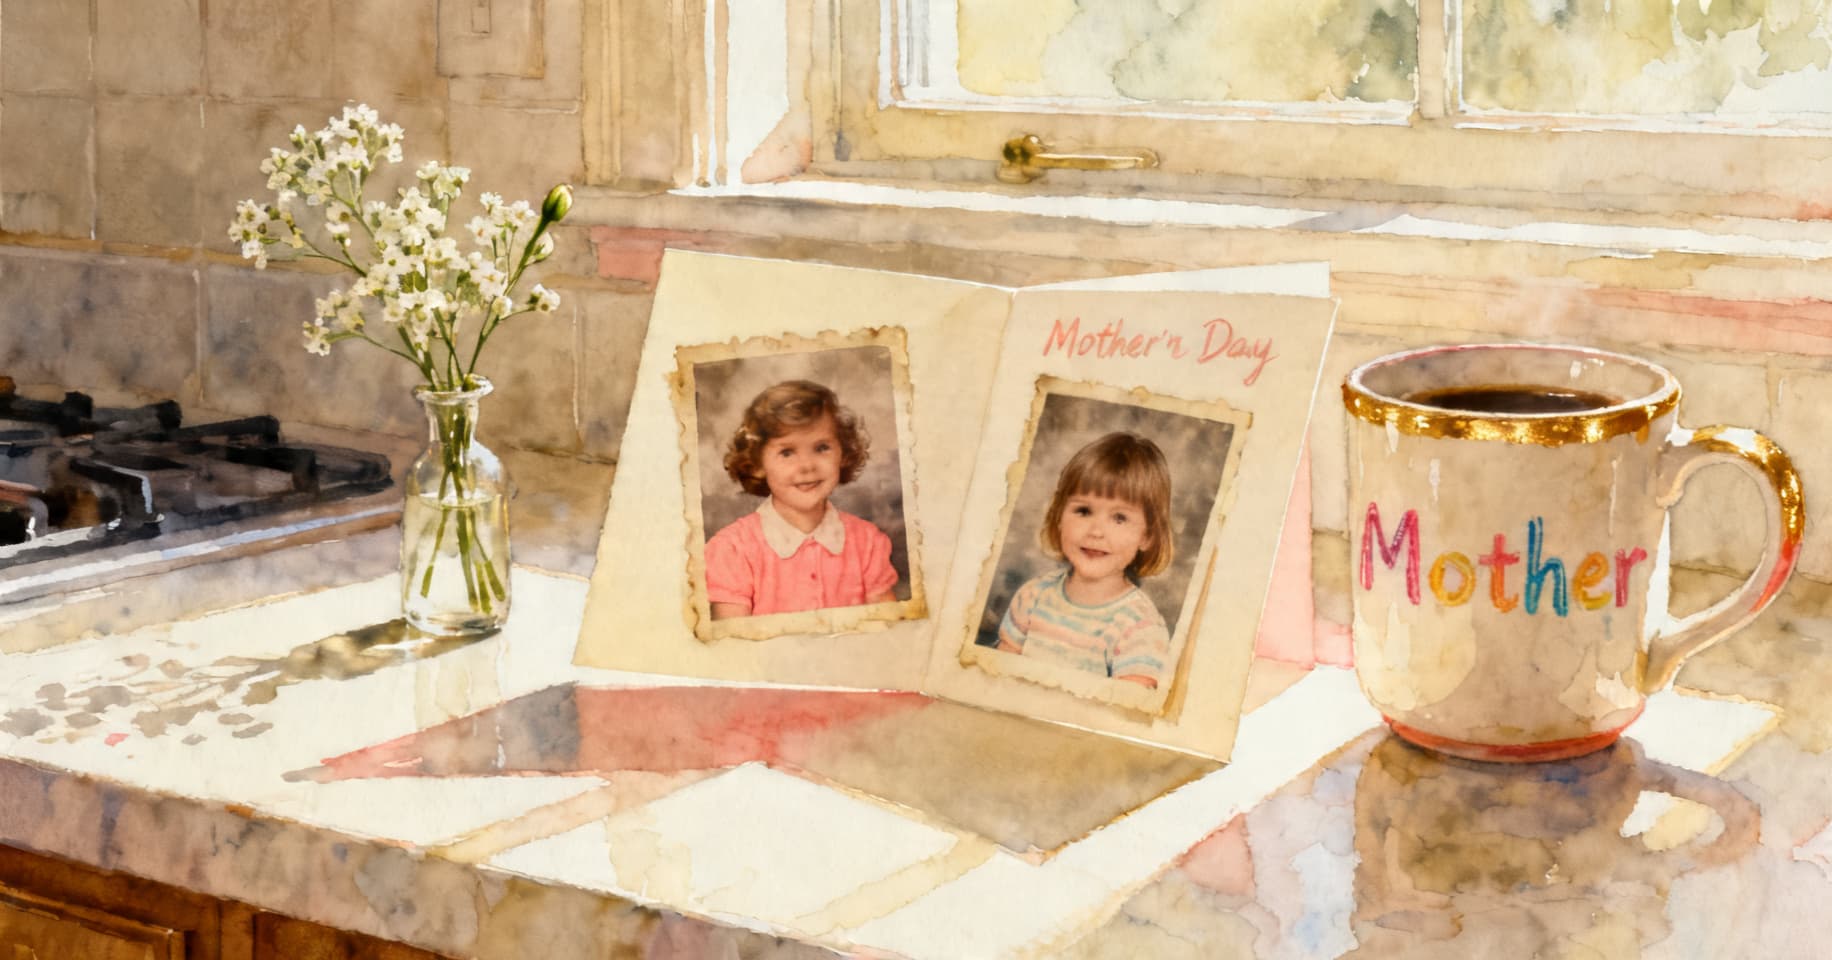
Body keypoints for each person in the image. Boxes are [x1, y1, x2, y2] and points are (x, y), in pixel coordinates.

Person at [705, 380, 899, 619]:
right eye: (787, 452)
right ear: (757, 464)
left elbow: (891, 633)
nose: (807, 466)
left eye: (821, 448)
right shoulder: (733, 549)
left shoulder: (867, 543)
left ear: (844, 453)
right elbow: (733, 647)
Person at [998, 432, 1175, 688]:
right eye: (1084, 511)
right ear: (1059, 516)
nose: (1096, 531)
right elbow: (994, 682)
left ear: (1146, 536)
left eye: (1119, 518)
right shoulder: (1032, 597)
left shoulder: (1140, 629)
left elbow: (1124, 718)